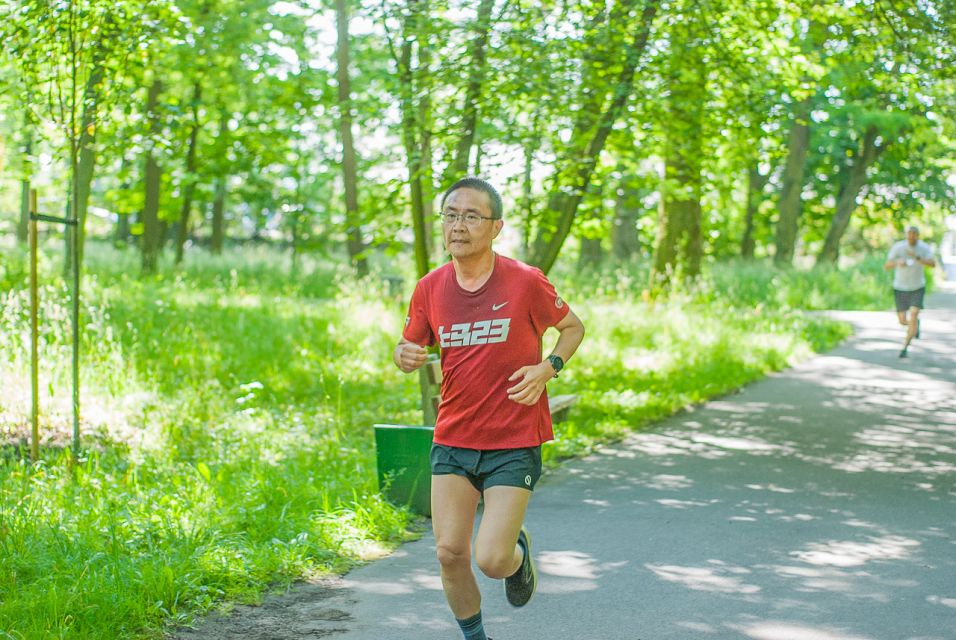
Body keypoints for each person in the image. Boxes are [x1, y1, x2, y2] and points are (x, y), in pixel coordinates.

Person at [393, 177, 585, 640]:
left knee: (492, 560)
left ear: (496, 227)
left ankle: (517, 552)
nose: (458, 225)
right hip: (453, 438)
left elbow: (574, 328)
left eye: (471, 216)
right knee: (448, 552)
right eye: (451, 215)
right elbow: (408, 346)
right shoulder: (429, 288)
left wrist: (548, 368)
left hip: (513, 439)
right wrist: (403, 354)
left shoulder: (524, 281)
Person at [884, 225, 936, 357]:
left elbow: (932, 264)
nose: (911, 236)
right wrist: (897, 263)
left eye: (914, 234)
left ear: (918, 235)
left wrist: (918, 258)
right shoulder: (898, 247)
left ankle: (905, 347)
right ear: (906, 235)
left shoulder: (923, 248)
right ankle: (914, 326)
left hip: (917, 287)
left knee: (913, 315)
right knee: (902, 321)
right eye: (909, 234)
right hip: (900, 287)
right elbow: (886, 266)